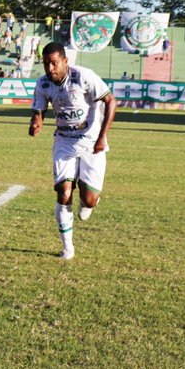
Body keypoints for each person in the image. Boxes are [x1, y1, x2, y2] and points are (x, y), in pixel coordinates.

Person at [29, 42, 117, 260]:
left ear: (65, 61)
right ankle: (68, 248)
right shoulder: (43, 83)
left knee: (89, 201)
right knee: (64, 192)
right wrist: (36, 122)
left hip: (91, 142)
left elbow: (111, 101)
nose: (50, 69)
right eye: (46, 64)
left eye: (54, 63)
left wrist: (102, 136)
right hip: (64, 143)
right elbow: (39, 111)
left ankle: (89, 201)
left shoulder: (84, 77)